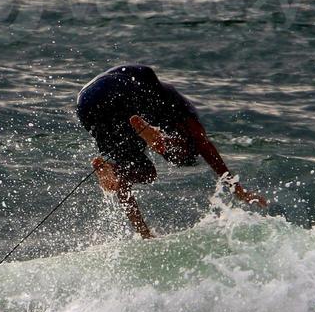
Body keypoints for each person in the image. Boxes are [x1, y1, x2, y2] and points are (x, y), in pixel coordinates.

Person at [76, 64, 267, 238]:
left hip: (85, 104)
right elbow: (204, 146)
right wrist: (238, 190)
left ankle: (112, 168)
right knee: (157, 158)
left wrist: (143, 231)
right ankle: (155, 136)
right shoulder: (177, 107)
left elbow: (122, 189)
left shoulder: (164, 107)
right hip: (126, 90)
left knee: (142, 173)